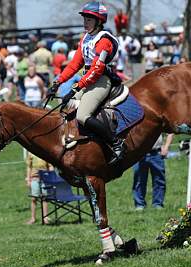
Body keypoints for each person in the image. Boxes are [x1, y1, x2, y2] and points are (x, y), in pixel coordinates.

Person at [48, 1, 125, 165]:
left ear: (99, 21)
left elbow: (97, 69)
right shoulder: (85, 39)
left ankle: (116, 143)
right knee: (66, 106)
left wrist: (76, 87)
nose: (85, 22)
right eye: (84, 19)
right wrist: (57, 82)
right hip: (88, 80)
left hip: (101, 80)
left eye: (89, 19)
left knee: (83, 115)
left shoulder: (104, 40)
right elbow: (74, 64)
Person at [132, 133, 173, 210]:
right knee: (139, 180)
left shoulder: (158, 121)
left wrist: (166, 147)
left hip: (156, 153)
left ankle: (158, 204)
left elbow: (170, 132)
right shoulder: (136, 120)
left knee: (159, 180)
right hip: (139, 153)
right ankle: (139, 205)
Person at [26, 152, 52, 225]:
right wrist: (28, 179)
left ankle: (45, 217)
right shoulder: (31, 153)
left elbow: (50, 166)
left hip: (45, 179)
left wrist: (51, 177)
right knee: (34, 198)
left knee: (45, 198)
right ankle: (33, 218)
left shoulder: (44, 153)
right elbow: (29, 166)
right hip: (34, 178)